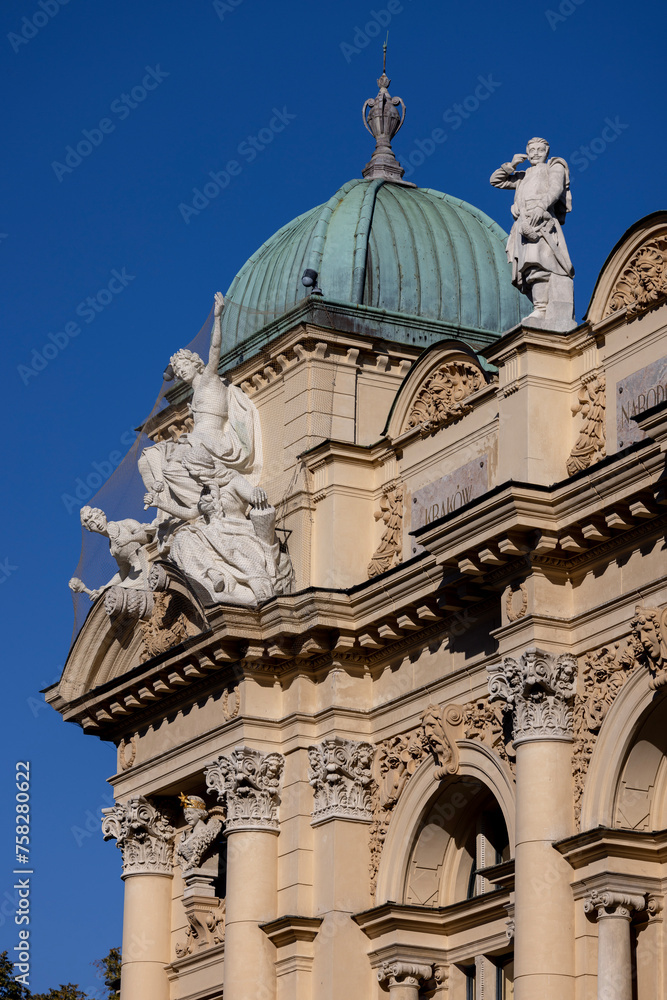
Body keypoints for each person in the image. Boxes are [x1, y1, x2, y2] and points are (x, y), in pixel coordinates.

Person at [138, 291, 262, 515]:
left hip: (212, 439)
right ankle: (186, 501)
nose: (181, 370)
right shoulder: (194, 397)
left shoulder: (209, 379)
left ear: (196, 364)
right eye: (177, 370)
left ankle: (201, 502)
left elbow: (215, 350)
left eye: (184, 365)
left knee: (172, 464)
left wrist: (217, 317)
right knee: (151, 458)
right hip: (198, 440)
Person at [491, 137, 575, 328]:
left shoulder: (554, 166)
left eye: (540, 150)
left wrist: (541, 206)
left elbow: (556, 188)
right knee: (528, 269)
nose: (536, 153)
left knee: (540, 264)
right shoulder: (523, 175)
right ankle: (539, 307)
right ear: (527, 153)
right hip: (524, 224)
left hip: (542, 221)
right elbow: (496, 181)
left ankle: (541, 309)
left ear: (547, 152)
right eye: (532, 150)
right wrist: (511, 165)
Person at [69, 505, 156, 600]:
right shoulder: (113, 549)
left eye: (97, 518)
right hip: (135, 576)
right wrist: (103, 589)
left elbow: (148, 537)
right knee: (113, 595)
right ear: (91, 530)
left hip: (149, 563)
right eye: (92, 524)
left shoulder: (125, 524)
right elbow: (123, 571)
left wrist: (129, 539)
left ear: (103, 516)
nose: (97, 524)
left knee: (117, 596)